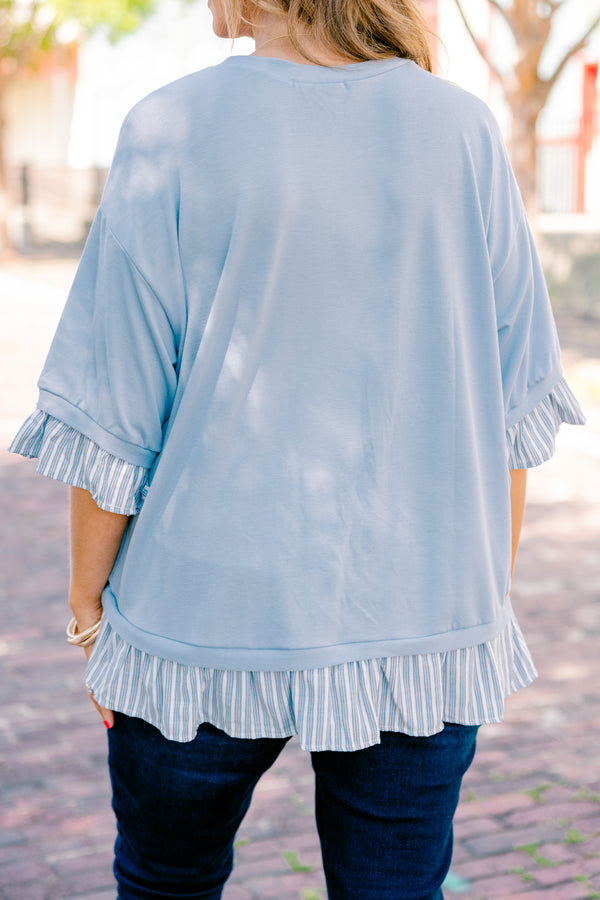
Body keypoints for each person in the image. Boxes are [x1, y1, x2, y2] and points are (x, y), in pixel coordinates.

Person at [10, 0, 586, 897]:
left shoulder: (170, 126)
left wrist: (88, 608)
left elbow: (115, 407)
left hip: (193, 626)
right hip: (424, 624)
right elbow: (511, 411)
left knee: (167, 883)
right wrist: (477, 595)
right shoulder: (463, 131)